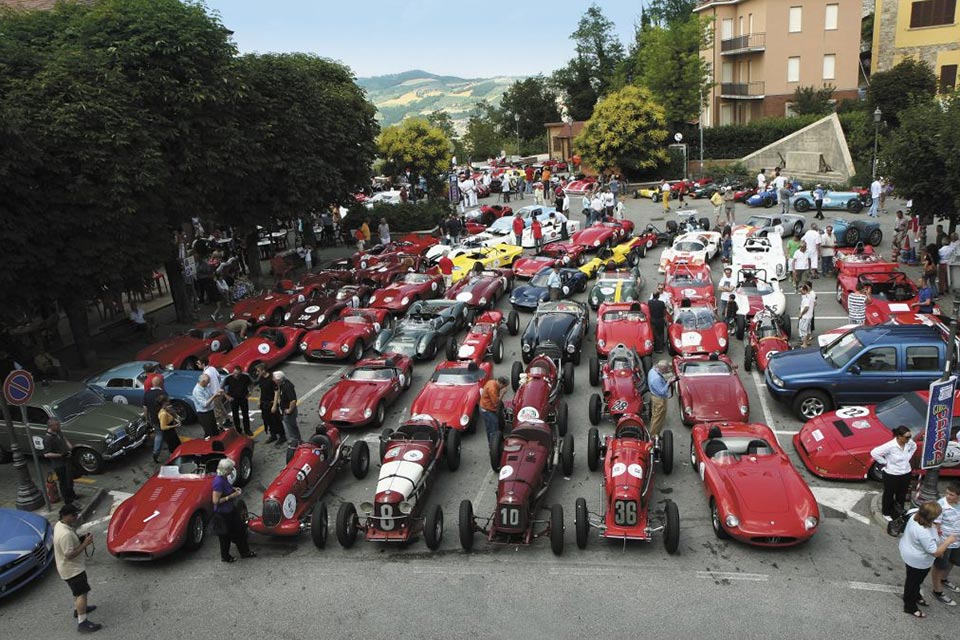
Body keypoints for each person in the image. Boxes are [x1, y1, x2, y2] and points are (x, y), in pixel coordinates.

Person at [900, 501, 958, 618]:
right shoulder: (924, 533)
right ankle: (910, 606)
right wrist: (948, 540)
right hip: (918, 561)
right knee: (913, 582)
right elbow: (935, 552)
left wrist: (935, 528)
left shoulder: (915, 515)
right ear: (931, 517)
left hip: (908, 551)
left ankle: (916, 596)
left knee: (914, 580)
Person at [54, 503, 102, 633]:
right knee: (81, 593)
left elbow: (68, 547)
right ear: (64, 515)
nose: (76, 517)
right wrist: (85, 544)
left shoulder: (60, 525)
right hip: (73, 570)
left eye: (76, 514)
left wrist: (80, 540)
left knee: (78, 592)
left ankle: (79, 609)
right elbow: (69, 554)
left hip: (67, 569)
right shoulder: (65, 534)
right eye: (73, 515)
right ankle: (83, 622)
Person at [211, 458, 255, 563]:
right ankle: (226, 556)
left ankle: (244, 552)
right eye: (231, 469)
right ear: (226, 470)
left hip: (230, 510)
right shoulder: (218, 482)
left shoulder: (224, 478)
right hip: (223, 514)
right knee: (225, 536)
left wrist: (233, 489)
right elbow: (215, 501)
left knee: (240, 531)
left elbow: (225, 490)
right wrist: (231, 496)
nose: (232, 471)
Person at [871, 425, 917, 520]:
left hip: (906, 473)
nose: (909, 439)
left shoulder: (909, 443)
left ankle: (898, 512)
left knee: (902, 494)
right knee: (889, 494)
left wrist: (909, 456)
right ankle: (886, 512)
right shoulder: (890, 446)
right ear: (899, 436)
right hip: (892, 474)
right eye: (907, 437)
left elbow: (914, 446)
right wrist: (885, 462)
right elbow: (874, 453)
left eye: (910, 436)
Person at [931, 482, 960, 606]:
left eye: (951, 495)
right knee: (939, 566)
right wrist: (939, 544)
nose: (947, 496)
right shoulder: (941, 505)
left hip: (957, 541)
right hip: (945, 542)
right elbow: (936, 526)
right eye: (947, 493)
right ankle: (937, 591)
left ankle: (944, 579)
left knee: (953, 561)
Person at [44, 418, 78, 505]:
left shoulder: (58, 432)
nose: (59, 426)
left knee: (69, 480)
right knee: (64, 482)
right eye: (57, 425)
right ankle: (67, 500)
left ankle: (72, 495)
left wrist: (69, 447)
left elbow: (64, 438)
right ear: (51, 426)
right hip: (59, 464)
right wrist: (60, 455)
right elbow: (47, 454)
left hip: (66, 460)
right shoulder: (48, 439)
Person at [222, 365, 253, 436]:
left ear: (241, 373)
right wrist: (227, 396)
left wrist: (250, 392)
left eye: (238, 374)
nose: (236, 375)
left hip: (243, 398)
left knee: (245, 414)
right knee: (235, 415)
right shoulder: (228, 378)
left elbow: (251, 384)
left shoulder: (245, 377)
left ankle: (247, 430)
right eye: (235, 373)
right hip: (233, 399)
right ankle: (238, 430)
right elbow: (221, 388)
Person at [255, 365, 283, 443]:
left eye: (258, 371)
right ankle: (273, 435)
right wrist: (259, 401)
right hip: (264, 403)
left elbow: (276, 392)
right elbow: (261, 390)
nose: (257, 373)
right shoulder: (261, 378)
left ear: (263, 370)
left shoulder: (272, 379)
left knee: (276, 420)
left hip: (271, 403)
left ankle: (282, 435)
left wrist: (274, 405)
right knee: (267, 420)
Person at [274, 371, 301, 447]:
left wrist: (289, 410)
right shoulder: (282, 384)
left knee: (291, 426)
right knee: (290, 425)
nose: (273, 380)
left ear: (279, 379)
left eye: (275, 379)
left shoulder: (287, 386)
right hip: (285, 410)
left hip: (289, 411)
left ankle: (296, 441)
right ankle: (296, 439)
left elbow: (293, 400)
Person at [647, 361, 675, 437]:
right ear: (662, 368)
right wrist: (669, 382)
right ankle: (654, 435)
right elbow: (662, 391)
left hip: (655, 396)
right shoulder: (656, 379)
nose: (666, 371)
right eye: (666, 370)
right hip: (659, 399)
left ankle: (654, 433)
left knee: (655, 416)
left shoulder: (653, 370)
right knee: (658, 418)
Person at [479, 375, 508, 445]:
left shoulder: (491, 382)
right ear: (501, 384)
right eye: (504, 386)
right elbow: (496, 403)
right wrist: (503, 393)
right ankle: (494, 445)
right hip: (487, 410)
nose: (503, 388)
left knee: (489, 427)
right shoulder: (493, 389)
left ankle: (491, 443)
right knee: (494, 428)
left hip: (484, 407)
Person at [199, 357, 227, 429]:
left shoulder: (205, 373)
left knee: (217, 411)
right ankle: (227, 419)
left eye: (198, 363)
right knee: (220, 406)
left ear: (203, 364)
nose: (197, 365)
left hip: (214, 394)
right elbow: (219, 377)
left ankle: (220, 426)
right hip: (219, 391)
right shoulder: (212, 368)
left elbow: (206, 385)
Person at [144, 377, 166, 463]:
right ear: (160, 383)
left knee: (158, 434)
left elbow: (145, 408)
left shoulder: (147, 394)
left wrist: (147, 419)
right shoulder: (163, 393)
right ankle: (157, 452)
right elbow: (167, 406)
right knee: (163, 434)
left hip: (153, 418)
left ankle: (156, 452)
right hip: (163, 417)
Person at [192, 374, 220, 439]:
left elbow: (210, 395)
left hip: (210, 411)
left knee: (214, 429)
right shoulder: (197, 391)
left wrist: (217, 393)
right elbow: (204, 404)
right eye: (207, 382)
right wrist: (214, 396)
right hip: (204, 414)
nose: (208, 383)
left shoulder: (205, 387)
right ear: (203, 382)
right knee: (209, 432)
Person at [798, 282, 815, 348]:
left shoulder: (806, 298)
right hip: (810, 315)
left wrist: (801, 314)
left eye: (802, 290)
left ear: (805, 290)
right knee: (808, 329)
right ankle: (807, 341)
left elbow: (806, 307)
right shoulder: (811, 295)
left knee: (803, 330)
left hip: (805, 316)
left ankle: (804, 344)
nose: (800, 292)